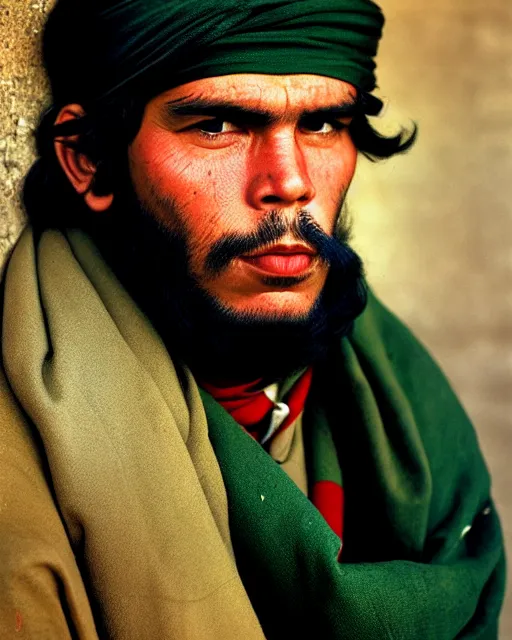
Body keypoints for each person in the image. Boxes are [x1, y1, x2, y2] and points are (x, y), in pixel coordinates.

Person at [0, 0, 506, 637]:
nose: (290, 183)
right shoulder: (19, 476)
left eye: (322, 123)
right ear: (89, 160)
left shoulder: (399, 402)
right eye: (217, 125)